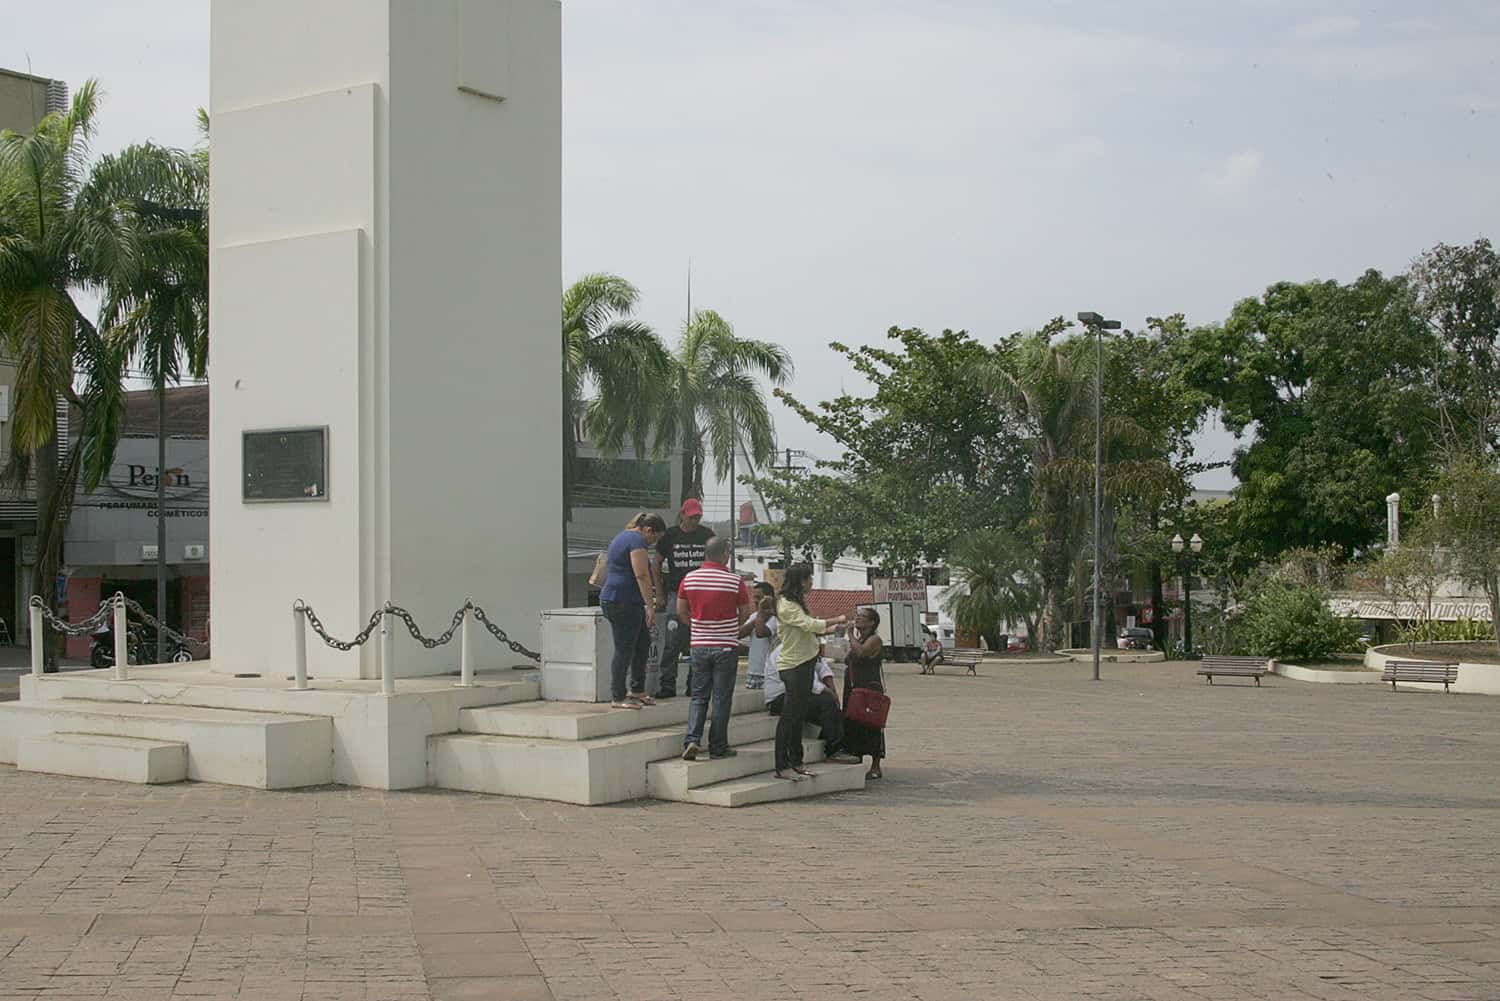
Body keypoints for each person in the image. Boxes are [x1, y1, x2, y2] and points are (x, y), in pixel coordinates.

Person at [677, 536, 752, 760]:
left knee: (699, 696)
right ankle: (718, 746)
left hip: (699, 645)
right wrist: (729, 629)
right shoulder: (734, 581)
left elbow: (681, 612)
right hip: (726, 647)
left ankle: (692, 740)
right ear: (724, 554)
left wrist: (699, 626)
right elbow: (746, 613)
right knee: (721, 698)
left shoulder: (689, 579)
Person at [772, 564, 847, 780]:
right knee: (789, 717)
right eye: (809, 579)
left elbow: (810, 629)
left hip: (805, 664)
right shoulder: (785, 604)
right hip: (793, 667)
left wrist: (831, 628)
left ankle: (796, 761)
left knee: (798, 716)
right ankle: (782, 764)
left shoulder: (796, 602)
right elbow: (808, 624)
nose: (812, 583)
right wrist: (836, 619)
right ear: (801, 580)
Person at [598, 512, 667, 709]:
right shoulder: (636, 540)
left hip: (625, 600)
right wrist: (650, 606)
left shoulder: (624, 536)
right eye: (654, 538)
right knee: (624, 649)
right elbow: (642, 575)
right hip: (621, 601)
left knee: (642, 644)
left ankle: (637, 689)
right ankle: (618, 695)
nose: (653, 543)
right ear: (648, 530)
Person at [654, 499, 714, 698]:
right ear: (683, 515)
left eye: (698, 517)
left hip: (700, 596)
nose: (695, 521)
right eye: (691, 517)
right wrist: (660, 593)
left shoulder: (707, 535)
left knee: (697, 641)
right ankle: (667, 684)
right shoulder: (670, 536)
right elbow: (656, 564)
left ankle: (694, 683)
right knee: (672, 641)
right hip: (675, 594)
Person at [765, 647, 861, 765]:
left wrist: (832, 690)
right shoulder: (787, 649)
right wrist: (826, 690)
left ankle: (835, 743)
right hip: (780, 696)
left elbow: (821, 667)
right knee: (826, 702)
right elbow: (802, 679)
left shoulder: (807, 646)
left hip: (800, 693)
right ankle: (833, 750)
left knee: (836, 711)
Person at [842, 605, 887, 779]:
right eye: (857, 615)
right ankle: (856, 759)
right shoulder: (859, 639)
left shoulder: (874, 640)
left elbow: (860, 653)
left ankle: (876, 765)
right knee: (854, 723)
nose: (857, 618)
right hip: (854, 687)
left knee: (872, 725)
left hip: (869, 687)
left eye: (862, 616)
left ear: (872, 622)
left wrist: (850, 635)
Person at [742, 582, 778, 689]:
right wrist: (758, 617)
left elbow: (760, 633)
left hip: (768, 672)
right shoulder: (755, 616)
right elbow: (740, 634)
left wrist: (761, 614)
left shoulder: (775, 618)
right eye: (754, 598)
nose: (755, 601)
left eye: (759, 598)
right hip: (753, 671)